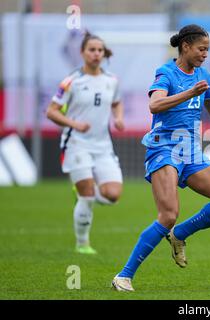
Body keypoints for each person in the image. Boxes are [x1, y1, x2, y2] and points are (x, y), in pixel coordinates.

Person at [112, 24, 210, 292]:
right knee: (168, 214)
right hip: (163, 149)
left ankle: (180, 234)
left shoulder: (203, 75)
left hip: (191, 152)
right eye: (201, 49)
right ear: (185, 46)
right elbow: (154, 104)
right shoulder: (166, 72)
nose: (205, 54)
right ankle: (123, 276)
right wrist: (189, 93)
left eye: (207, 50)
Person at [47, 31, 125, 255]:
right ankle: (82, 244)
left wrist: (118, 118)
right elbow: (51, 112)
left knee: (113, 195)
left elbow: (117, 103)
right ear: (82, 53)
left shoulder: (112, 80)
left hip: (103, 146)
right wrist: (74, 123)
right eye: (92, 50)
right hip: (76, 144)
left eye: (100, 50)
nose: (96, 54)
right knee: (87, 195)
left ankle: (84, 189)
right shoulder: (71, 81)